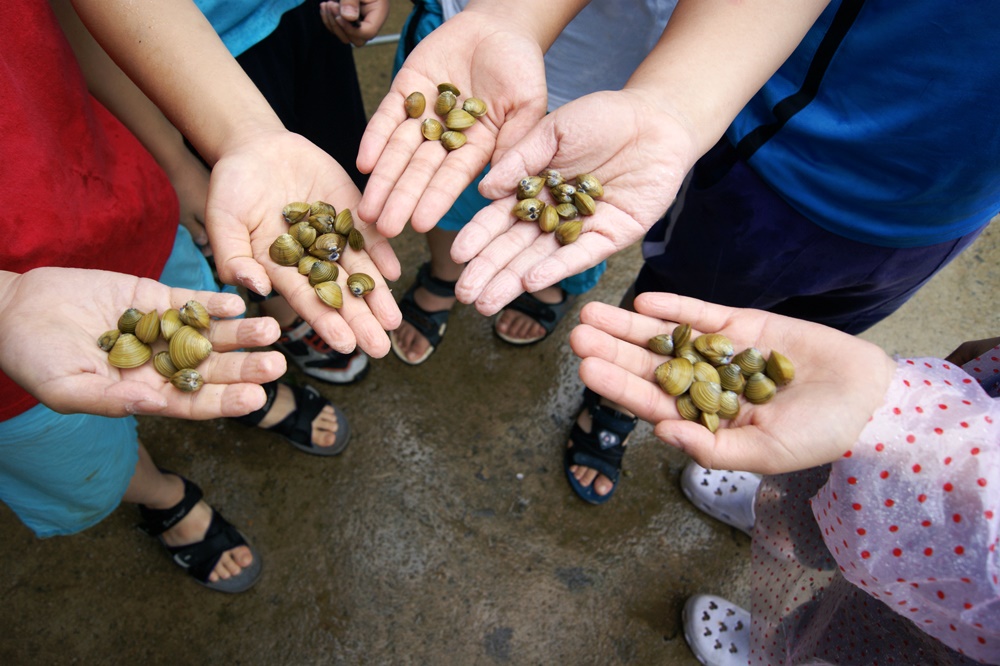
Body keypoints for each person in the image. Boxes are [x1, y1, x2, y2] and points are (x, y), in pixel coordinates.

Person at [354, 0, 999, 502]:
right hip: (787, 155)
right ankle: (610, 396)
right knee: (676, 301)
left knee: (792, 333)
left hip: (942, 218)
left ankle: (596, 369)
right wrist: (671, 105)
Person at [1, 0, 400, 593]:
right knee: (84, 465)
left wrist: (241, 139)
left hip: (118, 200)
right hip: (14, 339)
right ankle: (162, 496)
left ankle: (248, 396)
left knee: (207, 322)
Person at [568, 292, 999, 664]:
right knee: (815, 479)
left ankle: (772, 653)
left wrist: (891, 410)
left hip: (965, 632)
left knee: (871, 642)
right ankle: (774, 513)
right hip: (962, 423)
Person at [382, 0, 675, 364]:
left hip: (615, 80)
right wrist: (507, 18)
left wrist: (671, 107)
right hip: (472, 45)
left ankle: (544, 285)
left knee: (558, 237)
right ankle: (444, 272)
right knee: (443, 189)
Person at [183, 0, 390, 384]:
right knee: (253, 231)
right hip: (189, 61)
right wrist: (176, 165)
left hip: (312, 17)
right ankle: (284, 312)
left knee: (340, 160)